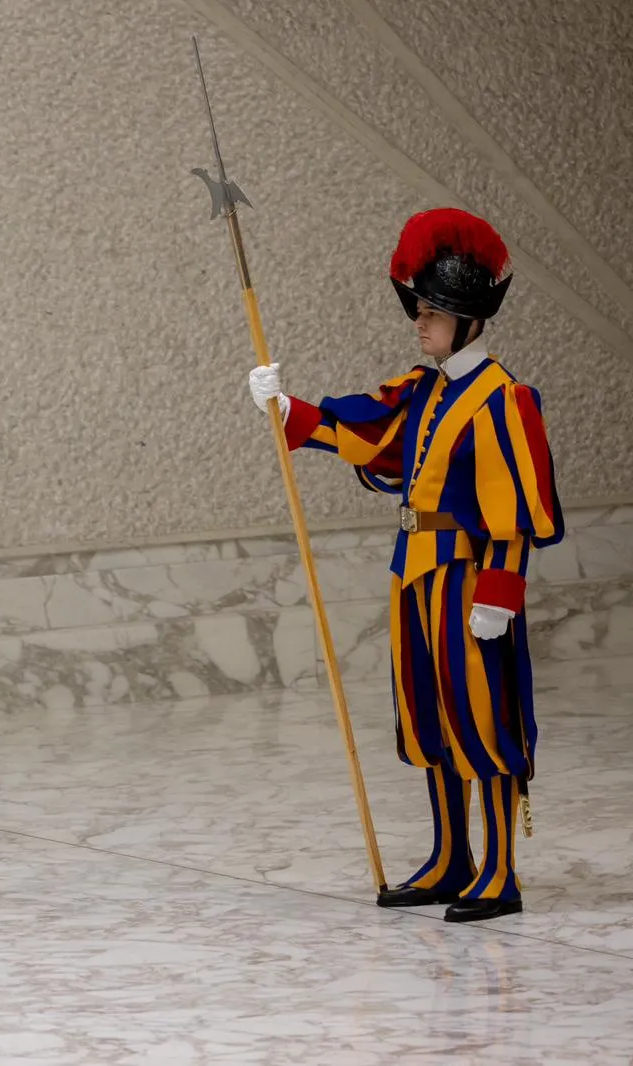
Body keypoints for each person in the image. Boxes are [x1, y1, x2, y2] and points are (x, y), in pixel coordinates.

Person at [248, 208, 563, 923]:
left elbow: (517, 506)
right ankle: (453, 856)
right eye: (419, 310)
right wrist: (287, 406)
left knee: (481, 720)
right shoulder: (423, 391)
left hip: (467, 579)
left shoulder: (504, 401)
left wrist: (500, 593)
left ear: (469, 320)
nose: (420, 324)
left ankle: (500, 873)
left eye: (432, 312)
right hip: (414, 573)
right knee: (431, 717)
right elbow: (363, 432)